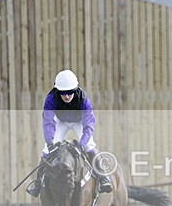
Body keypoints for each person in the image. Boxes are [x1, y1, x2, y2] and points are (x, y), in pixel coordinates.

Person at [26, 69, 112, 197]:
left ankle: (104, 178)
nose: (67, 96)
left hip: (79, 122)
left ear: (75, 89)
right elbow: (48, 122)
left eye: (70, 92)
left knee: (89, 145)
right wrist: (50, 142)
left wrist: (81, 144)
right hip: (61, 122)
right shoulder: (51, 99)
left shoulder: (83, 100)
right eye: (63, 93)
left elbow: (88, 125)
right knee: (46, 150)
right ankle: (38, 183)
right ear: (58, 91)